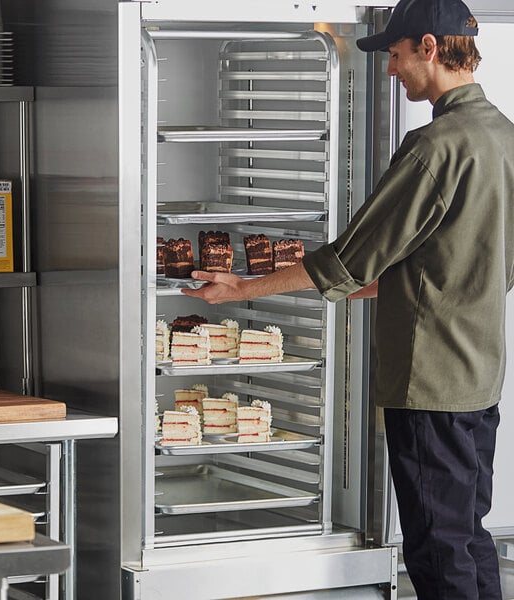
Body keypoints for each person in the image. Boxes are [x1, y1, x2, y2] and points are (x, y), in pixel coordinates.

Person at [182, 0, 514, 598]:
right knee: (465, 537)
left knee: (438, 552)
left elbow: (351, 258)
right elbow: (460, 267)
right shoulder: (503, 137)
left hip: (428, 383)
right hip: (478, 379)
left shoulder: (434, 146)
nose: (391, 70)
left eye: (394, 53)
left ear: (429, 48)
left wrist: (242, 288)